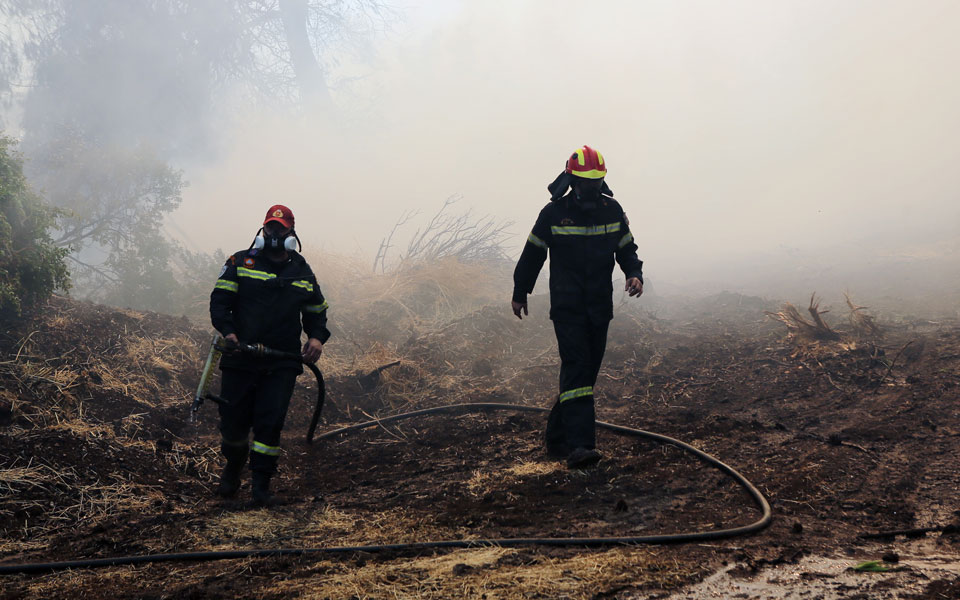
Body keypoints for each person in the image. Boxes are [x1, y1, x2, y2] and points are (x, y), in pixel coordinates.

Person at [512, 146, 644, 469]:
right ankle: (581, 446)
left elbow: (626, 247)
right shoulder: (553, 214)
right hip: (568, 307)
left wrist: (634, 273)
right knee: (577, 365)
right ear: (572, 180)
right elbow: (532, 255)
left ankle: (557, 438)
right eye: (585, 181)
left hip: (600, 306)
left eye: (597, 180)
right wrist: (520, 290)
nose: (591, 187)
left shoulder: (612, 212)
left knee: (585, 372)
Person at [209, 204, 330, 505]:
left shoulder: (302, 271)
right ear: (262, 231)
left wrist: (316, 337)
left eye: (281, 229)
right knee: (233, 423)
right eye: (270, 228)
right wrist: (229, 333)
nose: (275, 233)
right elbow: (220, 302)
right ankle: (234, 466)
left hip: (282, 362)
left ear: (291, 233)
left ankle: (261, 487)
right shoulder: (240, 261)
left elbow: (317, 311)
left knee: (269, 422)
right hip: (240, 358)